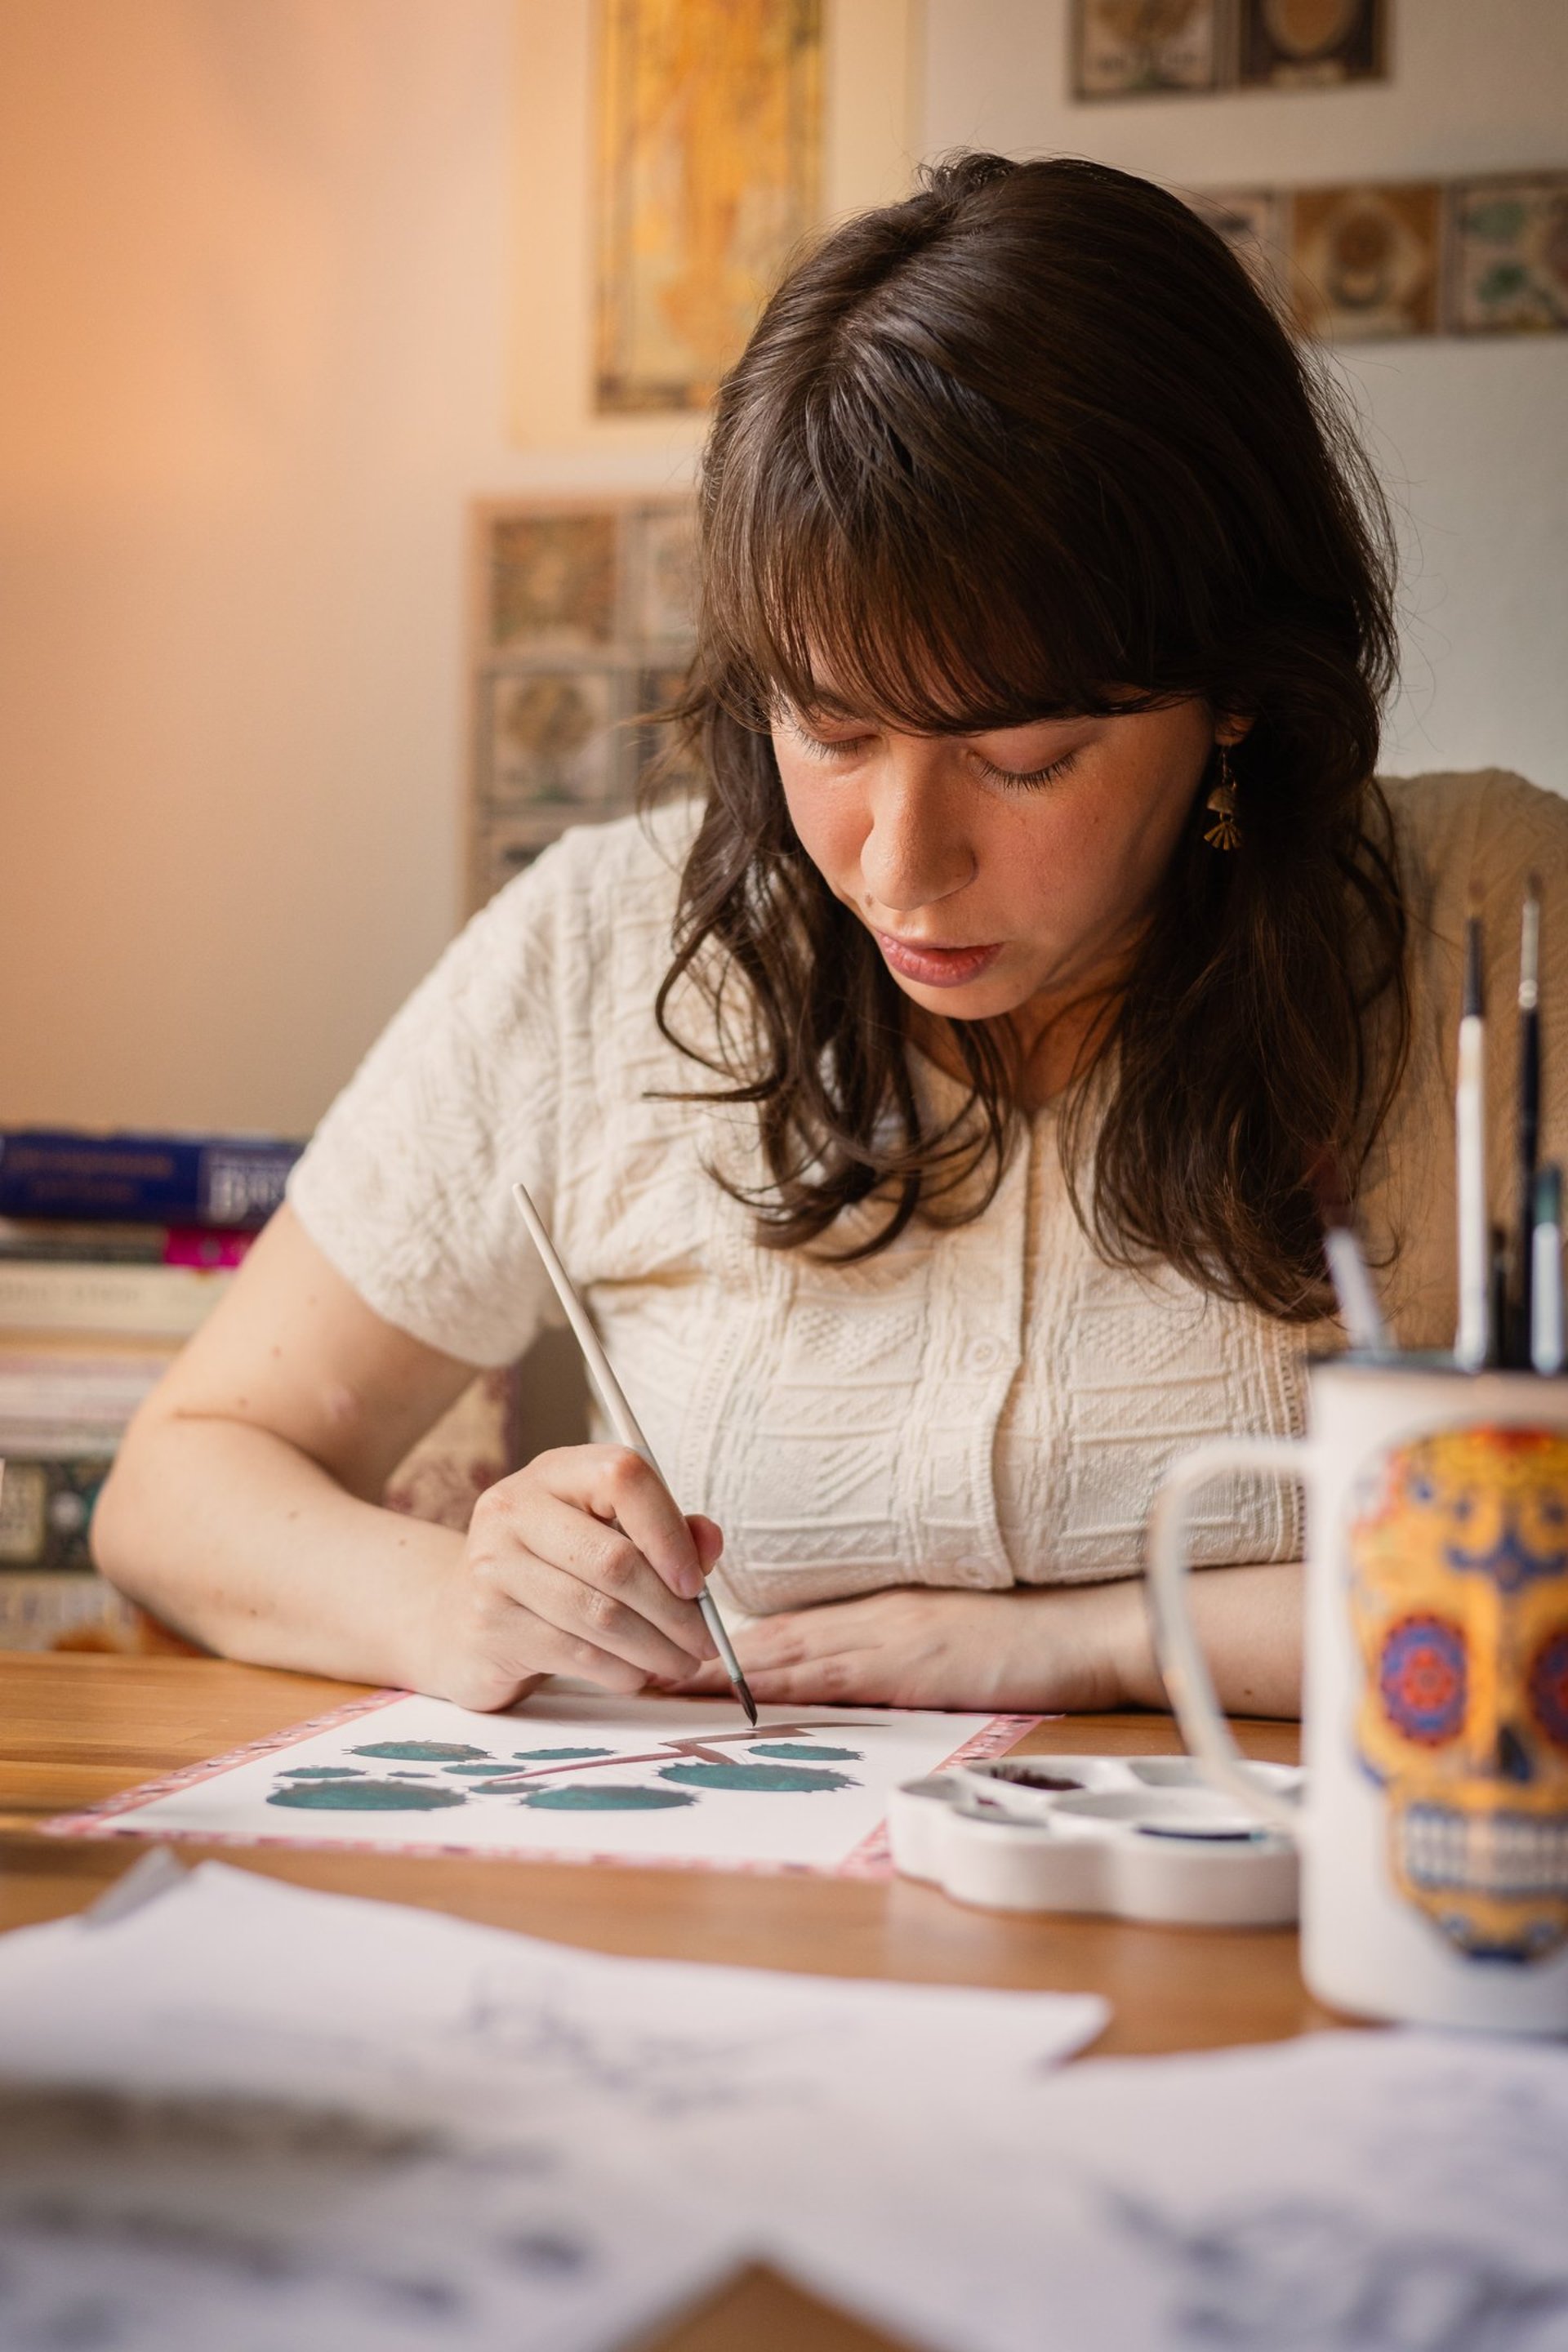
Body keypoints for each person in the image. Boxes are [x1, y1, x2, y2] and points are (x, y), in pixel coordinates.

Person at [94, 154, 1566, 1721]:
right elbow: (180, 1482)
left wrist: (1110, 1638)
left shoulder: (1500, 921)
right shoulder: (603, 948)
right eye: (834, 729)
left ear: (1238, 703)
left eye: (1024, 761)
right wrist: (454, 1596)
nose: (902, 867)